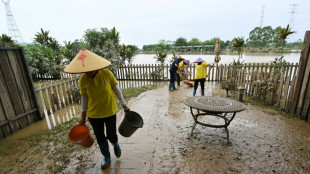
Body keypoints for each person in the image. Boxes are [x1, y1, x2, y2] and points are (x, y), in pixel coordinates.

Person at [64, 48, 130, 169]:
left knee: (111, 134)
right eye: (85, 69)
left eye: (90, 68)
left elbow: (116, 90)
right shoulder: (82, 80)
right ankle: (107, 157)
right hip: (94, 115)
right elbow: (84, 98)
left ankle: (115, 144)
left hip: (109, 111)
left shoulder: (106, 74)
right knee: (100, 137)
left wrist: (124, 104)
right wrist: (83, 116)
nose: (87, 71)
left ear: (96, 66)